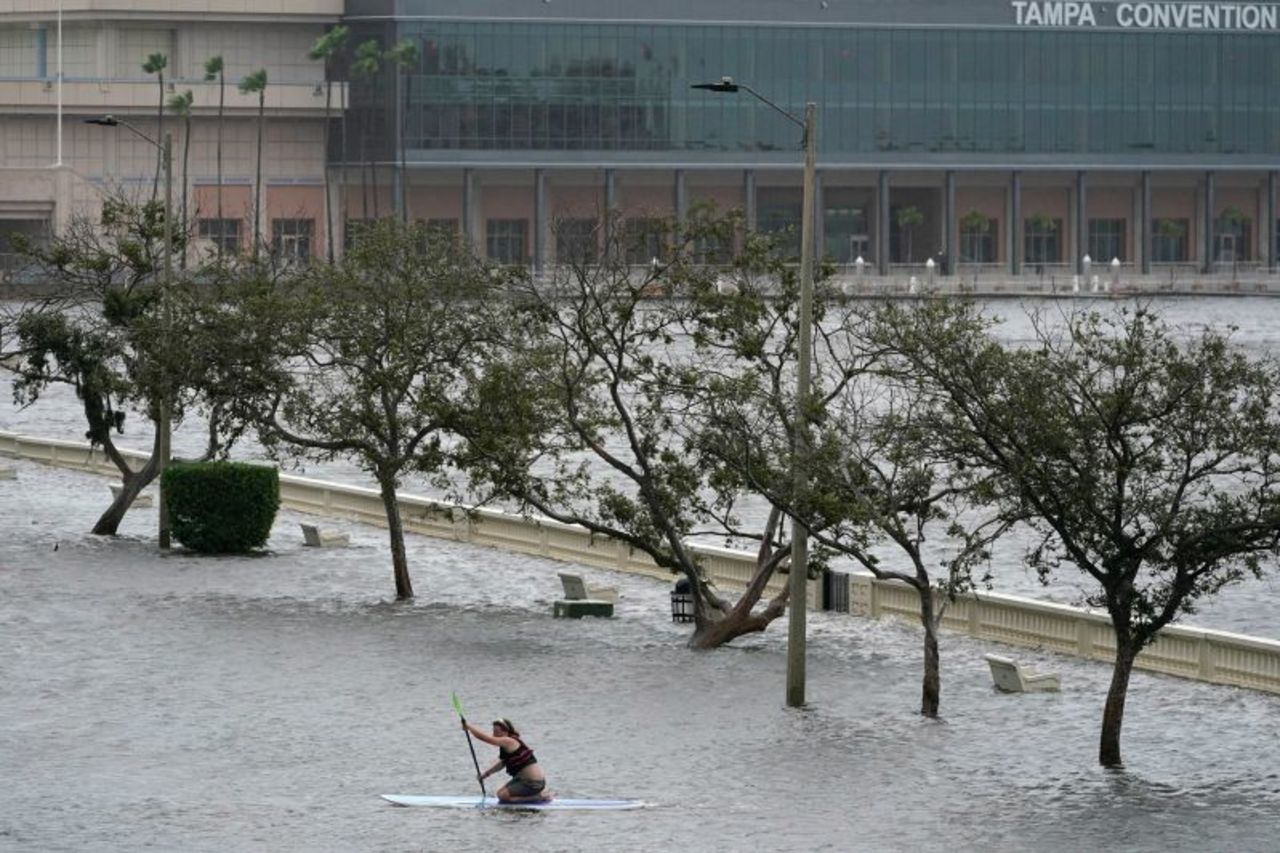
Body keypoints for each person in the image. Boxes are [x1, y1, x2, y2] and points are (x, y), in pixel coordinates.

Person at [462, 717, 552, 803]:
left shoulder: (509, 741)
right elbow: (502, 763)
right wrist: (485, 774)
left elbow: (487, 739)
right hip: (521, 780)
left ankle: (539, 796)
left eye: (497, 732)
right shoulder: (506, 746)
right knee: (500, 793)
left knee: (503, 796)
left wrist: (469, 727)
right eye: (493, 731)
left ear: (506, 732)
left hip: (533, 783)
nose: (494, 734)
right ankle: (535, 794)